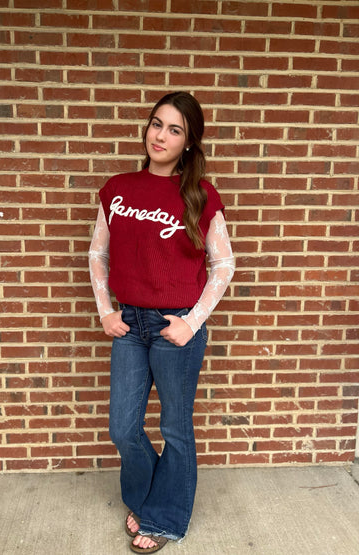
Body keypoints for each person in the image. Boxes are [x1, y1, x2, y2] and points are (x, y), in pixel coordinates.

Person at [89, 91, 235, 553]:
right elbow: (97, 252)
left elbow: (224, 265)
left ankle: (165, 518)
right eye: (157, 124)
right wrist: (106, 311)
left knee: (175, 427)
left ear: (189, 142)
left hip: (177, 328)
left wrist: (192, 323)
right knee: (122, 427)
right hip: (129, 325)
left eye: (175, 129)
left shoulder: (201, 195)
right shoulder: (118, 188)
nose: (161, 135)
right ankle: (147, 497)